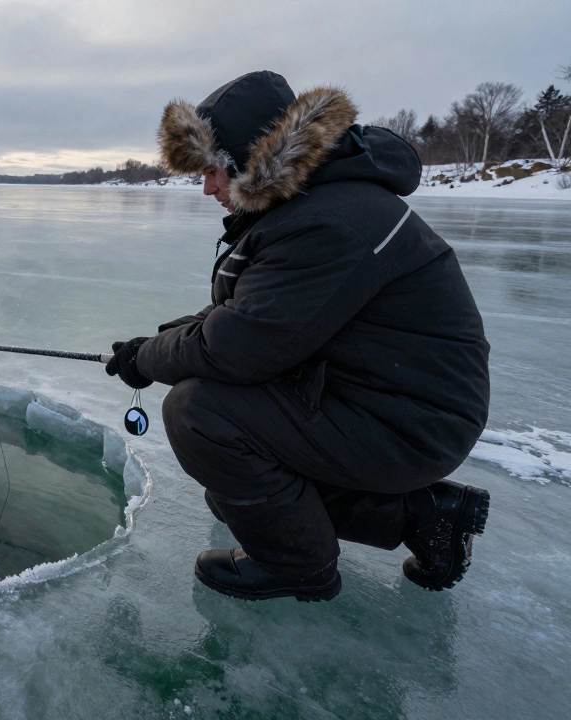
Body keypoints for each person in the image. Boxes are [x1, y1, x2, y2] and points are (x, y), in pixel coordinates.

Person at [106, 71, 491, 601]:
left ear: (254, 159)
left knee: (199, 413)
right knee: (235, 493)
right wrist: (152, 344)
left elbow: (238, 347)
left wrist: (151, 360)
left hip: (411, 423)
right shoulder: (318, 202)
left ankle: (297, 565)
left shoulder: (330, 220)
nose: (208, 187)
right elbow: (254, 311)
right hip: (381, 398)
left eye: (215, 171)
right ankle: (420, 518)